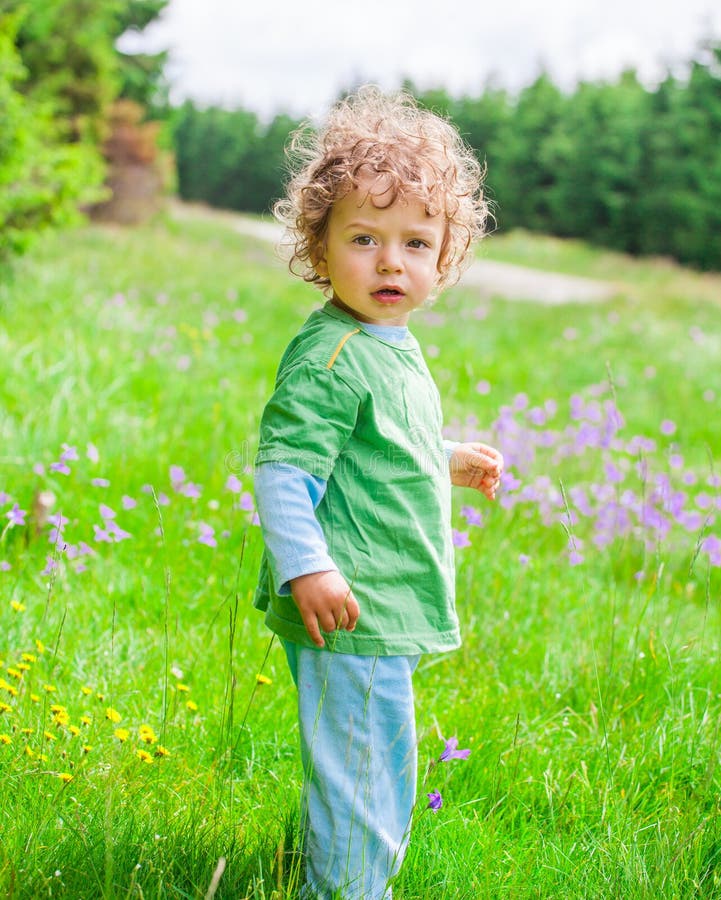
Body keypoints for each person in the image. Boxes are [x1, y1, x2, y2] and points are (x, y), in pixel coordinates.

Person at [252, 85, 503, 899]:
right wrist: (307, 567)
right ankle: (347, 888)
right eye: (363, 238)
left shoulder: (385, 343)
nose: (390, 261)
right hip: (347, 604)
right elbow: (285, 469)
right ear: (318, 250)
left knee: (371, 759)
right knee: (361, 773)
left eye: (415, 243)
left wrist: (443, 458)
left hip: (377, 602)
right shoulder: (330, 355)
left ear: (444, 257)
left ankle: (335, 869)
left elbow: (381, 444)